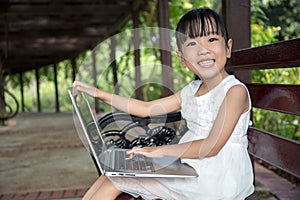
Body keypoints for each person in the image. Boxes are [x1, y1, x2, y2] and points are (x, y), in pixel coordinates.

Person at [73, 7, 254, 200]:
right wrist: (100, 94)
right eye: (192, 43)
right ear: (182, 59)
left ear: (228, 48)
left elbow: (211, 146)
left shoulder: (235, 91)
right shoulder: (191, 90)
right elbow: (146, 109)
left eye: (211, 39)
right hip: (191, 168)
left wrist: (159, 152)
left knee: (116, 179)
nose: (203, 50)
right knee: (111, 174)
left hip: (217, 180)